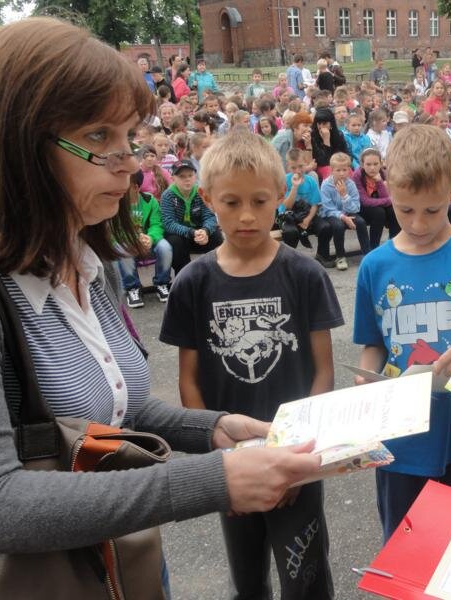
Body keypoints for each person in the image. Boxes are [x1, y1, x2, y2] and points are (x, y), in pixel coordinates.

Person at [0, 16, 322, 587]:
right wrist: (215, 480)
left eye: (128, 136)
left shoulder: (88, 262)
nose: (129, 161)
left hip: (127, 563)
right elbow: (6, 502)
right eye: (99, 137)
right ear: (21, 143)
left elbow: (113, 412)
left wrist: (215, 428)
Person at [160, 130, 340, 600]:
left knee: (306, 580)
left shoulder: (305, 274)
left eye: (260, 201)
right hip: (232, 462)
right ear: (207, 198)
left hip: (295, 457)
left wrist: (299, 456)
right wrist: (219, 464)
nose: (246, 215)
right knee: (247, 580)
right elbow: (189, 382)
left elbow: (323, 372)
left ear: (280, 195)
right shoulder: (192, 282)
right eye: (231, 201)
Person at [353, 124, 451, 541]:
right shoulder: (374, 266)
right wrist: (364, 380)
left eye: (432, 210)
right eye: (405, 209)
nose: (418, 223)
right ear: (389, 191)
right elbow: (374, 345)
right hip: (400, 442)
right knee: (406, 548)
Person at [117, 170, 173, 307]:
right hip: (126, 242)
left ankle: (162, 283)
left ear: (136, 187)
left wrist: (150, 238)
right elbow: (114, 231)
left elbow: (157, 224)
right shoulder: (116, 202)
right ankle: (132, 288)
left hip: (148, 240)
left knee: (165, 247)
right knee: (123, 250)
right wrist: (133, 239)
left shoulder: (149, 200)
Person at [160, 160, 223, 274]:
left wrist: (205, 231)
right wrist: (191, 232)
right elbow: (168, 223)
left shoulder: (200, 192)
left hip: (199, 233)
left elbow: (210, 216)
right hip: (181, 235)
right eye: (182, 176)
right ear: (173, 178)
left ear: (195, 176)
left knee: (216, 236)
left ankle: (217, 272)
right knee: (174, 241)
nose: (187, 179)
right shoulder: (167, 195)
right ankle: (184, 275)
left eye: (190, 175)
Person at [279, 149, 333, 265]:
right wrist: (294, 187)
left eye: (300, 166)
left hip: (307, 214)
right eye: (293, 168)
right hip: (288, 216)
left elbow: (315, 204)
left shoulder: (310, 181)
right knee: (290, 232)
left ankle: (322, 255)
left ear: (305, 164)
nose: (298, 171)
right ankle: (290, 262)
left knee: (325, 227)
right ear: (288, 167)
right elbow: (287, 206)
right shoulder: (284, 181)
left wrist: (308, 219)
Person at [318, 152, 370, 271]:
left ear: (349, 170)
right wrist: (343, 217)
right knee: (338, 226)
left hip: (348, 212)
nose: (342, 173)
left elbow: (356, 208)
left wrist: (344, 195)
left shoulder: (350, 184)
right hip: (331, 214)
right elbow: (327, 208)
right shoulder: (326, 185)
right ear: (332, 170)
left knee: (361, 222)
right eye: (338, 170)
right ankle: (340, 257)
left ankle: (367, 254)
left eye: (344, 170)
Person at [352, 147, 399, 250]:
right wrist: (389, 200)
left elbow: (385, 196)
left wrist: (379, 182)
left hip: (379, 204)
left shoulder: (383, 173)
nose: (372, 168)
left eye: (375, 164)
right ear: (362, 164)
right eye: (368, 164)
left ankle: (394, 243)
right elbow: (364, 201)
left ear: (381, 164)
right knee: (379, 212)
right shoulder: (357, 176)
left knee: (393, 210)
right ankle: (374, 247)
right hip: (361, 208)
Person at [310, 107, 349, 181]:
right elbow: (324, 161)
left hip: (338, 165)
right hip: (322, 167)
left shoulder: (338, 135)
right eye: (319, 123)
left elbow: (345, 153)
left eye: (324, 123)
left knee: (348, 171)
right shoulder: (313, 137)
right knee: (329, 170)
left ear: (331, 124)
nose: (321, 126)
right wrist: (326, 140)